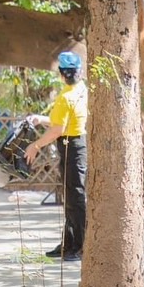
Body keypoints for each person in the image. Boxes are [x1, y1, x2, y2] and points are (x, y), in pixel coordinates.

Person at [25, 51, 86, 262]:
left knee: (75, 196)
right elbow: (63, 122)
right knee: (71, 196)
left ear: (61, 74)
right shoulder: (81, 90)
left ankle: (81, 245)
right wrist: (41, 119)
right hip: (78, 144)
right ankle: (69, 243)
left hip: (71, 145)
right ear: (79, 72)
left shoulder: (65, 97)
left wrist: (35, 145)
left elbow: (57, 130)